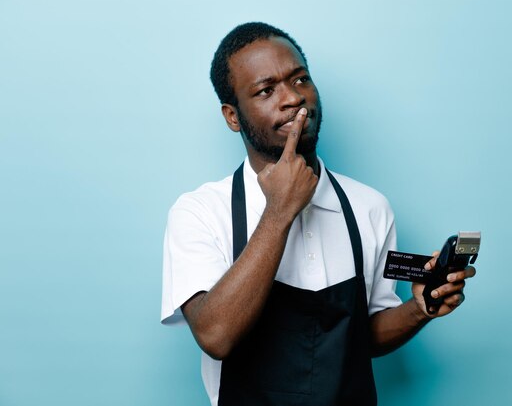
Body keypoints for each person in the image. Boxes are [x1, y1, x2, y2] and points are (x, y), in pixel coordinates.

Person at [160, 22, 476, 406]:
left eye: (300, 79)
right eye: (266, 90)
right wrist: (280, 211)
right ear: (232, 116)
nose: (292, 99)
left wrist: (420, 309)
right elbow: (216, 336)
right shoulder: (199, 212)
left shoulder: (369, 207)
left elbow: (364, 335)